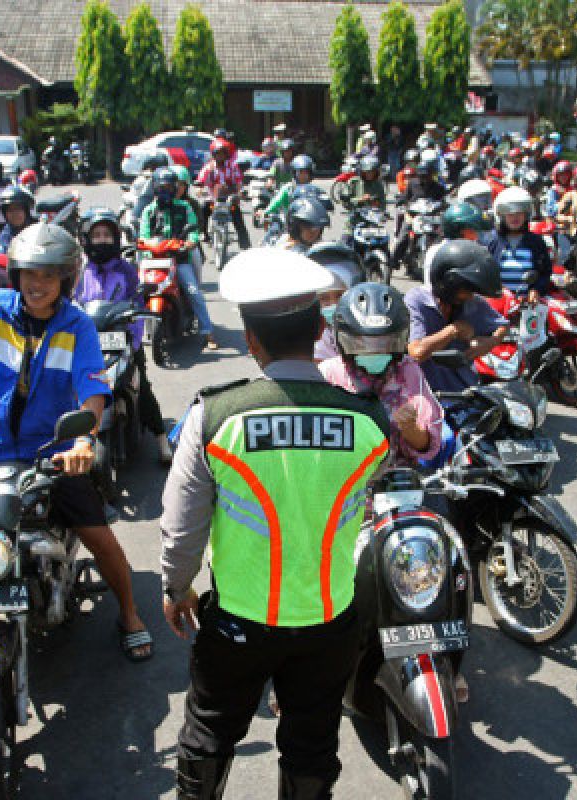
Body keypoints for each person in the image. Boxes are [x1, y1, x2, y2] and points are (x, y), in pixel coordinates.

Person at [161, 247, 391, 799]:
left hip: (240, 618)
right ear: (320, 331)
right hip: (329, 621)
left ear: (250, 338)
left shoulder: (215, 416)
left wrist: (176, 586)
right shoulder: (368, 421)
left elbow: (182, 522)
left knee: (209, 732)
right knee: (312, 744)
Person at [0, 222, 153, 670]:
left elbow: (93, 390)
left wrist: (81, 440)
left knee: (100, 538)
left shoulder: (78, 326)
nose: (37, 285)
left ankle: (130, 614)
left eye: (48, 276)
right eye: (29, 275)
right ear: (15, 275)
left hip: (50, 454)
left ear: (65, 280)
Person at [76, 208, 173, 464]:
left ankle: (162, 439)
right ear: (87, 239)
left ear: (116, 238)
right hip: (90, 342)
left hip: (123, 337)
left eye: (107, 235)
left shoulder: (127, 271)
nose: (102, 240)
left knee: (142, 389)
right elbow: (73, 303)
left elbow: (137, 303)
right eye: (96, 235)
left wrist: (134, 338)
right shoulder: (81, 273)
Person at [320, 282, 443, 467]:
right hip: (345, 483)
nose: (374, 351)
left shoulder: (407, 370)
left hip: (398, 481)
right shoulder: (329, 374)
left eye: (384, 343)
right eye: (363, 344)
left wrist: (410, 427)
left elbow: (428, 446)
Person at [406, 239, 509, 395]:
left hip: (463, 390)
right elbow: (417, 352)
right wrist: (454, 330)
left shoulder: (472, 302)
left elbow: (503, 326)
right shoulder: (416, 300)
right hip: (423, 393)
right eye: (467, 290)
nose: (470, 296)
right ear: (449, 282)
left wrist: (490, 342)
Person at [139, 168, 217, 350]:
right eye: (161, 187)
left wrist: (190, 242)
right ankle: (134, 334)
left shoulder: (185, 207)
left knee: (193, 291)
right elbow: (143, 235)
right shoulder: (148, 211)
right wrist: (142, 244)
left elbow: (194, 232)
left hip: (178, 260)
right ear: (155, 188)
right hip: (154, 261)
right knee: (136, 293)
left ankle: (207, 332)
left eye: (169, 187)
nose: (165, 191)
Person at [486, 186, 552, 301]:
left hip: (529, 306)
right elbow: (487, 273)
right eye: (510, 213)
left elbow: (545, 273)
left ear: (526, 215)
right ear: (501, 216)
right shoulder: (494, 242)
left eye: (519, 213)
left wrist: (536, 290)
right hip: (500, 305)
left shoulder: (537, 242)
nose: (515, 217)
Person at [197, 137, 252, 251]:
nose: (220, 156)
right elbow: (201, 180)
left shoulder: (233, 166)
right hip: (213, 199)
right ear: (214, 154)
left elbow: (238, 182)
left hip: (229, 199)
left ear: (226, 154)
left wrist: (240, 192)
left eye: (222, 153)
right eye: (218, 153)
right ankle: (204, 233)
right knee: (203, 208)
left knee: (238, 218)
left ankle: (245, 246)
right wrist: (199, 187)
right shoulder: (208, 167)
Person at [423, 201, 493, 286]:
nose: (476, 236)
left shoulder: (476, 251)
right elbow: (433, 288)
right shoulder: (437, 252)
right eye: (471, 231)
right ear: (457, 230)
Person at [260, 154, 318, 228]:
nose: (303, 175)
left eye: (306, 172)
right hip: (288, 223)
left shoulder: (314, 190)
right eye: (300, 172)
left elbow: (322, 202)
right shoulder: (288, 188)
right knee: (273, 232)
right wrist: (266, 212)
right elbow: (277, 201)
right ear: (294, 173)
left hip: (308, 226)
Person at [0, 185, 36, 254]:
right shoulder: (6, 235)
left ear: (26, 211)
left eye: (18, 209)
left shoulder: (39, 228)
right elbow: (2, 256)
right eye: (10, 210)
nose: (15, 214)